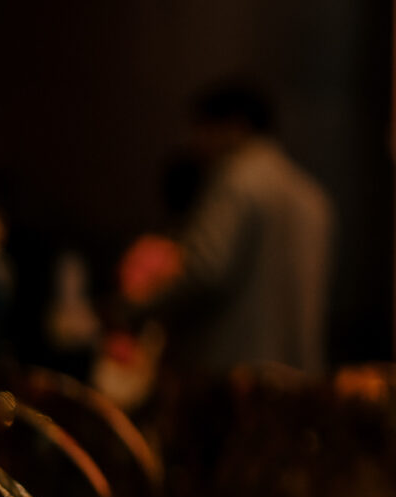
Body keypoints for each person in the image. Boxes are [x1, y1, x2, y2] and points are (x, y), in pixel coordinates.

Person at [137, 79, 333, 374]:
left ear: (234, 127)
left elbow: (205, 272)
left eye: (203, 130)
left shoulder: (235, 181)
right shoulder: (312, 197)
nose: (197, 144)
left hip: (235, 372)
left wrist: (134, 309)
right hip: (296, 372)